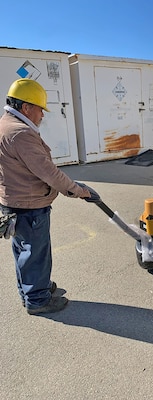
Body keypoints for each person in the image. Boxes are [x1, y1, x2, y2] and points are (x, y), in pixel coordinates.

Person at [0, 78, 91, 315]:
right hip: (29, 205)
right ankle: (37, 299)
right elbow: (47, 172)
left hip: (13, 203)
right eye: (41, 109)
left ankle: (30, 290)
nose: (42, 115)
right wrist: (77, 190)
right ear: (26, 107)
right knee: (35, 253)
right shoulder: (20, 133)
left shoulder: (5, 125)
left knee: (24, 251)